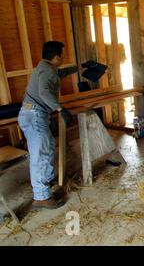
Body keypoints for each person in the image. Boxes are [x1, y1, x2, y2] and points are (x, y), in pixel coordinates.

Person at [18, 41, 77, 209]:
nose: (63, 58)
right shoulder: (47, 71)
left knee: (48, 146)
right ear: (57, 56)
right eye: (62, 55)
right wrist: (60, 109)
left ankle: (48, 182)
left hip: (33, 113)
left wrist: (78, 68)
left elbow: (59, 73)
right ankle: (41, 196)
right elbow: (44, 91)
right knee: (40, 154)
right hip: (34, 115)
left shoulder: (45, 67)